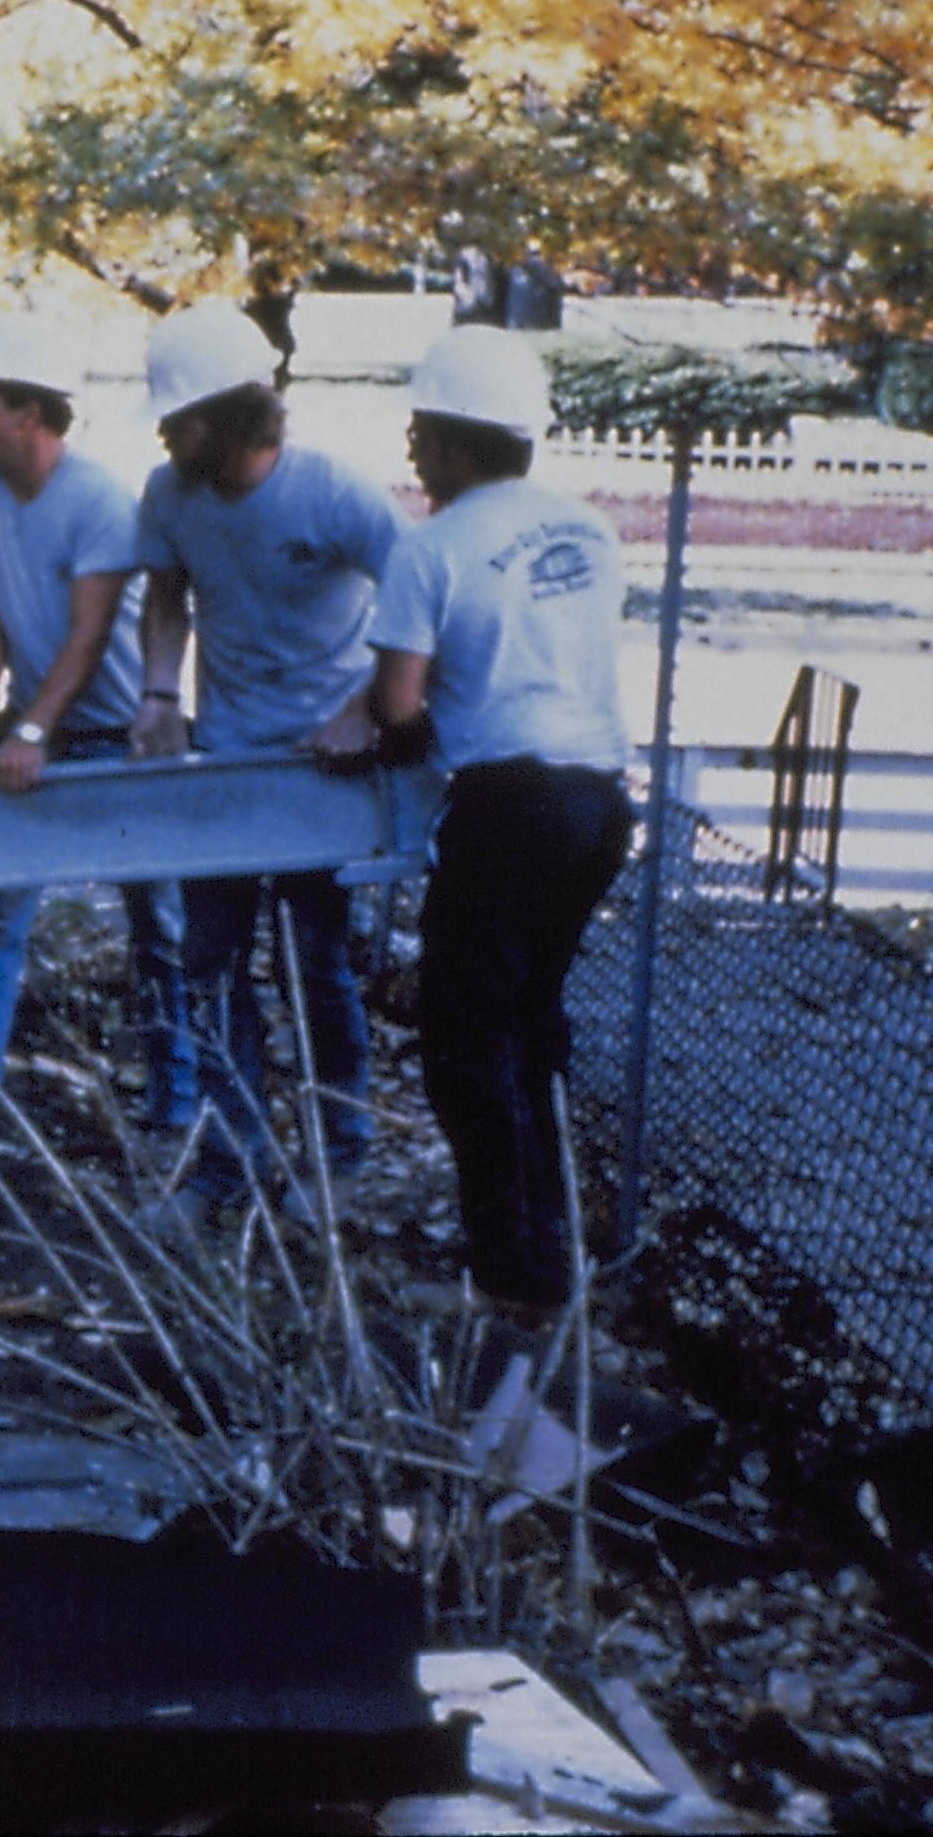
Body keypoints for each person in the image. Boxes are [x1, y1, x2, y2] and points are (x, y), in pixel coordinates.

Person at [315, 328, 631, 1304]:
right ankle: (553, 1243)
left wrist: (368, 739)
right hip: (597, 805)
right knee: (530, 1026)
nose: (409, 454)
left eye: (418, 435)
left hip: (505, 808)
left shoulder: (432, 546)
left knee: (464, 1043)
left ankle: (510, 1276)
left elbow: (399, 704)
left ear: (453, 445)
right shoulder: (588, 529)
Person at [0, 315, 197, 1175]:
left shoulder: (100, 501)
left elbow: (86, 629)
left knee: (160, 923)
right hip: (32, 730)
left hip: (117, 733)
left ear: (31, 414)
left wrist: (31, 729)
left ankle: (175, 1111)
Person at [129, 302, 405, 1215]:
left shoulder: (332, 495)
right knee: (208, 959)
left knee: (313, 964)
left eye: (178, 419)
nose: (165, 435)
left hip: (320, 770)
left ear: (228, 415)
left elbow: (422, 608)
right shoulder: (169, 496)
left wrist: (361, 710)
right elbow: (164, 600)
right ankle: (227, 1159)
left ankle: (335, 1154)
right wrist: (160, 695)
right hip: (228, 762)